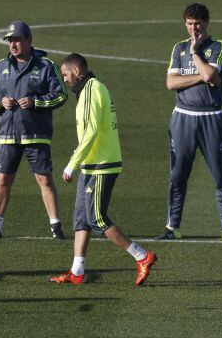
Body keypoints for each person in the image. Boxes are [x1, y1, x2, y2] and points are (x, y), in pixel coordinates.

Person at [50, 53, 157, 286]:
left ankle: (142, 256)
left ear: (77, 72)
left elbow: (90, 132)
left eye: (66, 74)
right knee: (81, 219)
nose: (65, 80)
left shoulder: (90, 90)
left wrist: (71, 164)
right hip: (92, 164)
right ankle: (77, 272)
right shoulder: (91, 90)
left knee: (97, 218)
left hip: (101, 165)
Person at [0, 20, 67, 240]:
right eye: (10, 40)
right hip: (8, 135)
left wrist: (36, 102)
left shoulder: (47, 66)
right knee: (3, 180)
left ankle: (55, 227)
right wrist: (1, 102)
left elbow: (60, 94)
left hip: (36, 135)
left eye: (17, 40)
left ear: (28, 40)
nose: (13, 44)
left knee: (45, 180)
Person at [157, 3, 222, 242]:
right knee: (178, 176)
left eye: (198, 24)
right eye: (190, 24)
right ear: (185, 24)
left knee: (220, 175)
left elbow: (212, 76)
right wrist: (200, 76)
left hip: (211, 117)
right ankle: (173, 228)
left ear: (207, 23)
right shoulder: (177, 48)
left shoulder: (217, 46)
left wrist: (194, 54)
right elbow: (171, 83)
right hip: (183, 117)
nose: (194, 29)